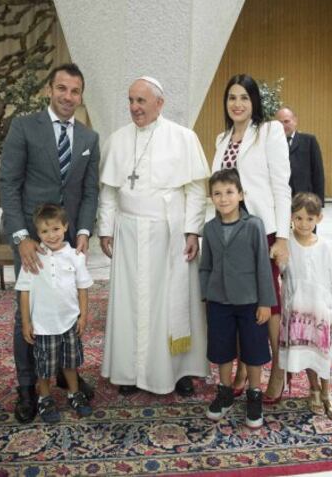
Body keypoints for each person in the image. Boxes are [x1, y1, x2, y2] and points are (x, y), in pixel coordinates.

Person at [0, 63, 100, 423]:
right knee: (30, 310)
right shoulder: (25, 127)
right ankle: (28, 387)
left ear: (80, 95)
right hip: (32, 238)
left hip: (68, 238)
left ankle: (62, 371)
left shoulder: (89, 139)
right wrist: (21, 237)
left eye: (75, 91)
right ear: (49, 89)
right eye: (62, 89)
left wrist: (84, 232)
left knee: (66, 304)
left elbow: (89, 192)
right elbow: (8, 185)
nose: (68, 96)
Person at [98, 76, 210, 396]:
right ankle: (130, 370)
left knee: (174, 302)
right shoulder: (118, 139)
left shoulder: (183, 138)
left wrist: (191, 230)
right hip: (129, 232)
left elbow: (195, 190)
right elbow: (108, 191)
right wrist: (105, 229)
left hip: (169, 232)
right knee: (130, 303)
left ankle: (179, 371)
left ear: (159, 103)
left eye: (141, 101)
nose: (134, 107)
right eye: (131, 100)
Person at [212, 74, 291, 403]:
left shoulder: (269, 131)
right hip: (229, 232)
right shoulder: (221, 138)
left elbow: (280, 185)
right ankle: (245, 367)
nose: (238, 104)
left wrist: (283, 236)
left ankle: (278, 370)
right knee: (239, 301)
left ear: (254, 101)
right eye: (232, 97)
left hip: (261, 230)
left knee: (268, 302)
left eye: (244, 97)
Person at [199, 169, 276, 428]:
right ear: (211, 197)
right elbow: (205, 265)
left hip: (250, 301)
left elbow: (263, 267)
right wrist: (205, 295)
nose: (224, 198)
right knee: (221, 349)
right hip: (219, 300)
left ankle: (254, 392)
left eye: (229, 192)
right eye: (217, 194)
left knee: (253, 349)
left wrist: (266, 302)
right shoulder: (209, 229)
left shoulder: (254, 225)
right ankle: (225, 391)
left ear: (241, 194)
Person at [17, 204, 93, 423]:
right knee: (44, 366)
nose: (51, 235)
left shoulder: (75, 256)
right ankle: (45, 398)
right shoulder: (32, 258)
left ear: (65, 227)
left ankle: (74, 394)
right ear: (37, 233)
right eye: (44, 231)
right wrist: (26, 323)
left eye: (56, 229)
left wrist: (84, 315)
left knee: (70, 362)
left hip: (69, 322)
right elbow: (24, 292)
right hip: (43, 324)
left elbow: (83, 288)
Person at [279, 193, 332, 421]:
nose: (303, 224)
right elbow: (283, 273)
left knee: (322, 353)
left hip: (321, 311)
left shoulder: (324, 246)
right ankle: (313, 389)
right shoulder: (286, 243)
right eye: (298, 218)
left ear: (319, 218)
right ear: (290, 218)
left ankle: (327, 392)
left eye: (309, 219)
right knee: (307, 354)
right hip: (298, 312)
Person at [276, 106, 325, 204]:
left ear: (295, 121)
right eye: (279, 122)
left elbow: (318, 172)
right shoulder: (271, 143)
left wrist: (319, 201)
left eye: (286, 121)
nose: (283, 125)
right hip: (280, 197)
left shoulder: (309, 140)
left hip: (304, 197)